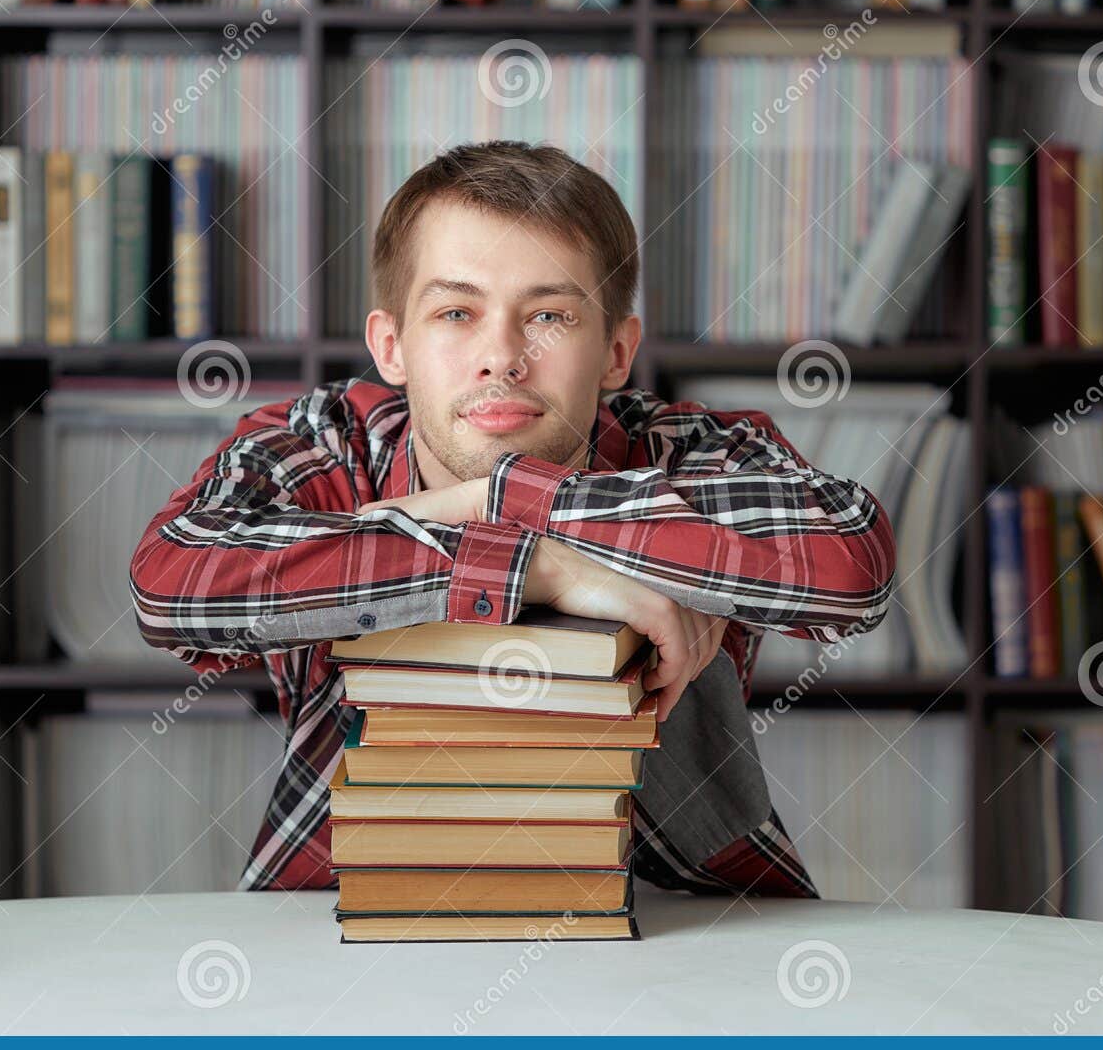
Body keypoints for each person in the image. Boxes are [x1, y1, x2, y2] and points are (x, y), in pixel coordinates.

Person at [130, 140, 898, 896]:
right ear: (392, 346)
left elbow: (849, 563)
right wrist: (541, 563)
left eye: (551, 315)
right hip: (345, 912)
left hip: (679, 915)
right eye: (457, 311)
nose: (501, 355)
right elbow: (171, 583)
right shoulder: (325, 449)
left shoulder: (687, 452)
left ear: (615, 352)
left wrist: (503, 500)